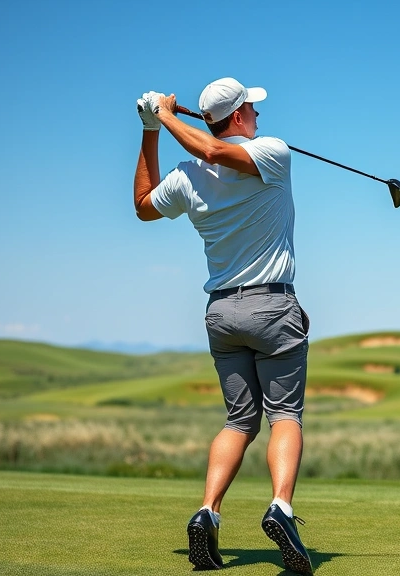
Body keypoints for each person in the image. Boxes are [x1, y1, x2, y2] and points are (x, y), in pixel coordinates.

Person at [133, 78, 313, 575]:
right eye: (252, 109)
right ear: (237, 117)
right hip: (273, 308)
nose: (258, 116)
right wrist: (165, 121)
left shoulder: (189, 175)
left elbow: (144, 204)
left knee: (238, 422)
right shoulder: (272, 153)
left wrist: (150, 128)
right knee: (285, 417)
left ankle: (207, 512)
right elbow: (213, 150)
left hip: (221, 314)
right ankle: (281, 507)